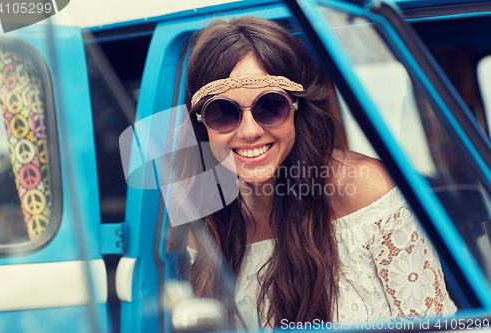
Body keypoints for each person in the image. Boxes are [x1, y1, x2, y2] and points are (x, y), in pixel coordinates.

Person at [173, 16, 457, 330]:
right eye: (223, 113)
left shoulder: (366, 190)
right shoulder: (203, 218)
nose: (250, 131)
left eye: (270, 106)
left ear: (298, 108)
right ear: (202, 124)